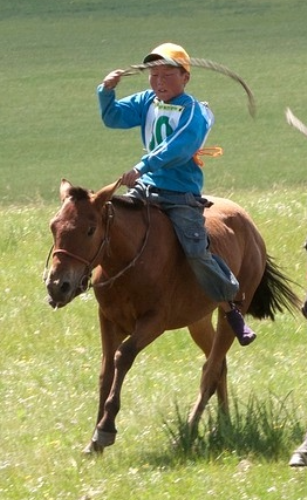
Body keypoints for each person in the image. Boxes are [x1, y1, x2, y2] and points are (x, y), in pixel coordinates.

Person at [98, 42, 255, 345]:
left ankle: (229, 303)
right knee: (105, 224)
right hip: (145, 189)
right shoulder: (147, 101)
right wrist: (106, 91)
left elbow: (178, 147)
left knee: (196, 250)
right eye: (154, 75)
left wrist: (142, 166)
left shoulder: (194, 111)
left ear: (185, 77)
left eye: (167, 75)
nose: (159, 82)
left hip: (179, 194)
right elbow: (113, 117)